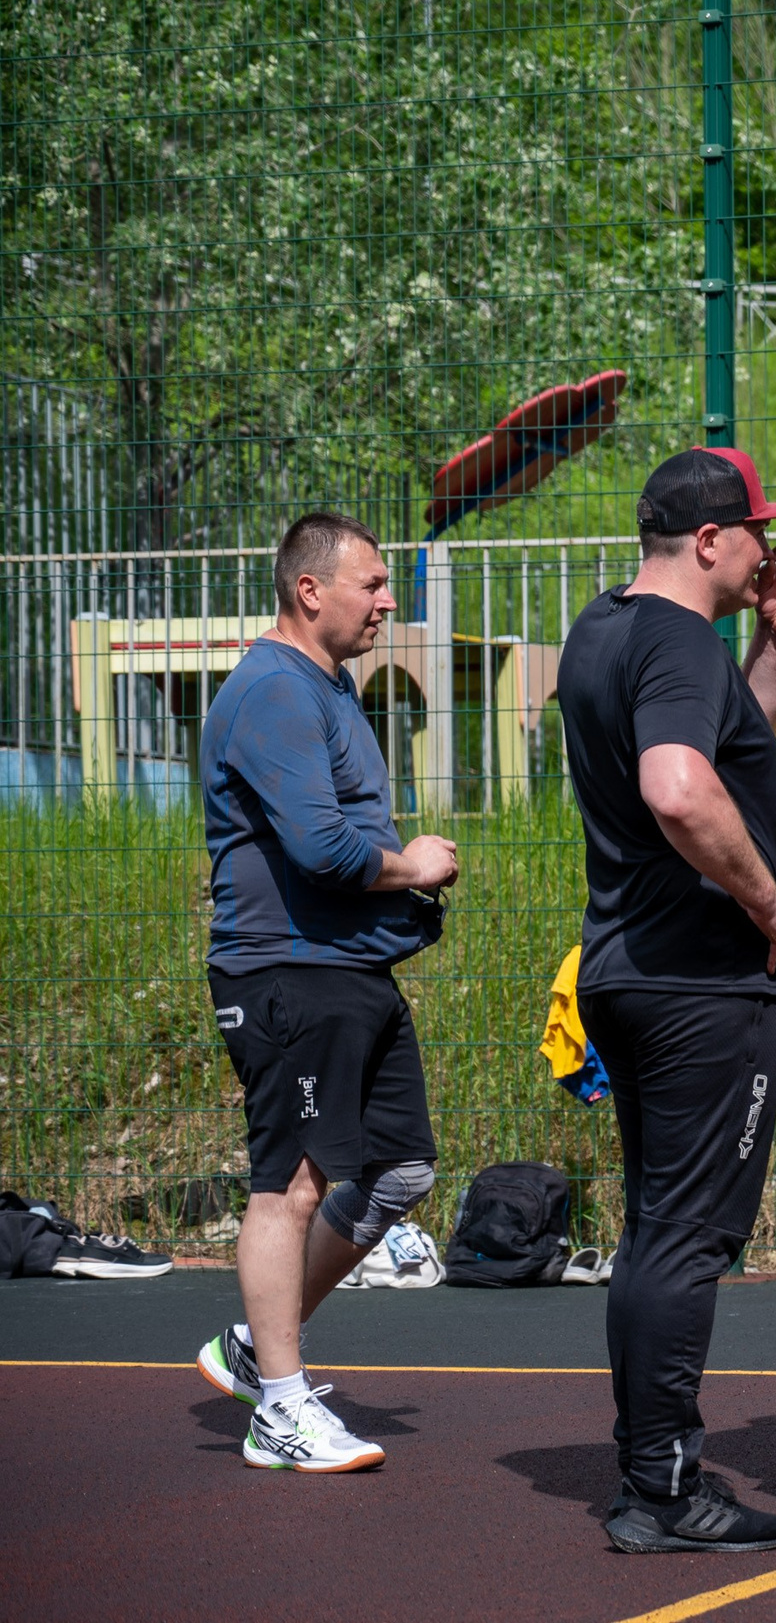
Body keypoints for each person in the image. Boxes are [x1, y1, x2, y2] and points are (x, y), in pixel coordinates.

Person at [557, 446, 776, 1554]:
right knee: (687, 1237)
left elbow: (721, 740)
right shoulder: (672, 638)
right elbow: (678, 784)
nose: (771, 547)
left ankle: (650, 1467)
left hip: (631, 967)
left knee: (656, 1231)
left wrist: (773, 641)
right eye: (757, 530)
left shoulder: (604, 628)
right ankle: (660, 1486)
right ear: (710, 540)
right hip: (701, 982)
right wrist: (770, 903)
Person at [195, 512, 457, 1473]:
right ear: (310, 590)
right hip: (285, 972)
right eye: (372, 584)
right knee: (291, 1184)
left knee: (401, 1171)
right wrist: (413, 864)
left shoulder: (330, 684)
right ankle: (279, 1407)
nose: (388, 602)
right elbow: (322, 848)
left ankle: (255, 1347)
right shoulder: (273, 689)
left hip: (347, 968)